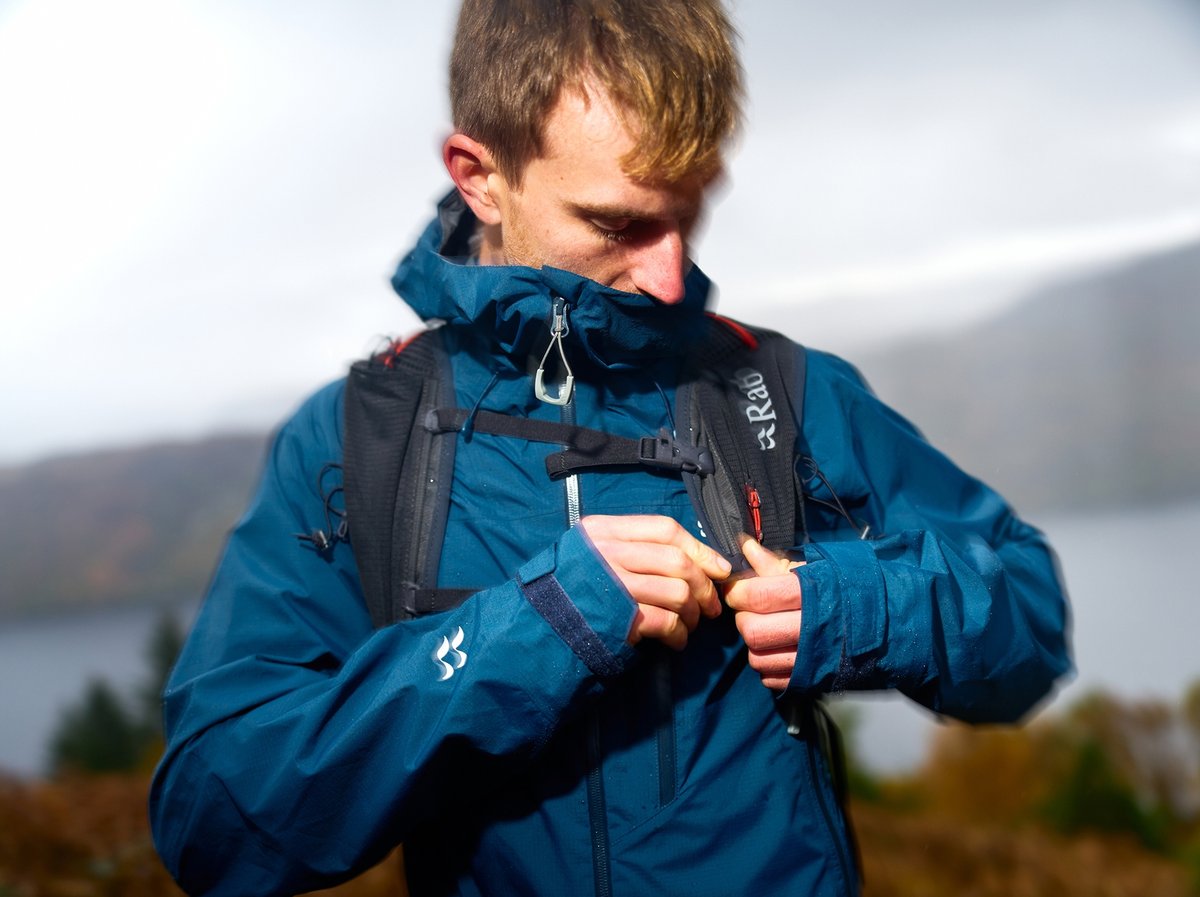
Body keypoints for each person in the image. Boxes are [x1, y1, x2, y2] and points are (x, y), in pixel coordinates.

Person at [149, 1, 1072, 895]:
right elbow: (213, 821)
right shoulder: (359, 439)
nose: (672, 277)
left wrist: (857, 605)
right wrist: (536, 626)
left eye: (688, 212)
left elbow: (1028, 612)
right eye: (618, 223)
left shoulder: (780, 393)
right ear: (480, 176)